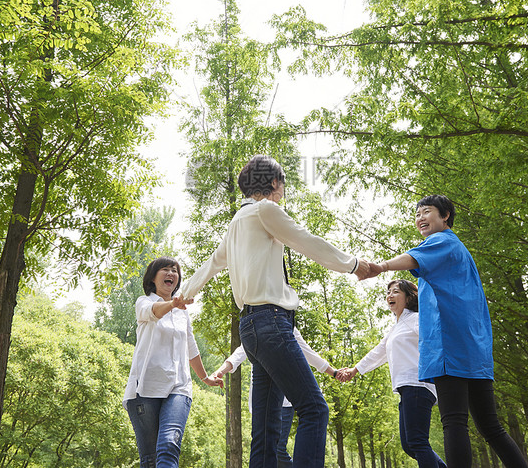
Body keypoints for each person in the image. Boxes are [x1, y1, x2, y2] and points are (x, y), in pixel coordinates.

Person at [179, 154, 371, 468]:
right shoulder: (265, 210)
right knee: (314, 409)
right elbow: (306, 241)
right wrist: (353, 265)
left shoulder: (236, 224)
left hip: (251, 328)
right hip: (270, 323)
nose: (283, 190)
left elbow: (212, 263)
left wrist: (184, 294)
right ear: (273, 183)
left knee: (266, 432)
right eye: (283, 184)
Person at [364, 195, 528, 468]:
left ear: (446, 215)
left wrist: (380, 267)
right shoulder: (457, 249)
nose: (420, 218)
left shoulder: (441, 242)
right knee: (490, 426)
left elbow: (414, 258)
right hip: (473, 347)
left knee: (454, 421)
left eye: (426, 212)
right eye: (417, 214)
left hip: (449, 345)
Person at [123, 257, 223, 468]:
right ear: (153, 277)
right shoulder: (145, 301)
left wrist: (205, 378)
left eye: (174, 271)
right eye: (165, 270)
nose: (171, 274)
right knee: (150, 460)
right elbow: (154, 313)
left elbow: (191, 346)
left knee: (169, 445)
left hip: (178, 386)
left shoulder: (182, 312)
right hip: (145, 388)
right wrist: (172, 304)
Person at [336, 279, 446, 468]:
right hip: (407, 388)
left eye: (396, 292)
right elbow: (379, 352)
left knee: (417, 441)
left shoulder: (415, 319)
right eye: (388, 292)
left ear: (409, 297)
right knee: (409, 445)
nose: (390, 295)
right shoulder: (397, 327)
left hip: (418, 384)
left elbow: (437, 339)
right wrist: (354, 370)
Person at [209, 326, 338, 468]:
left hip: (284, 402)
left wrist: (334, 372)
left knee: (278, 449)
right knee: (264, 446)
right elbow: (240, 352)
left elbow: (308, 353)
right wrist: (220, 371)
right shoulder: (255, 326)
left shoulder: (287, 325)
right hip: (262, 401)